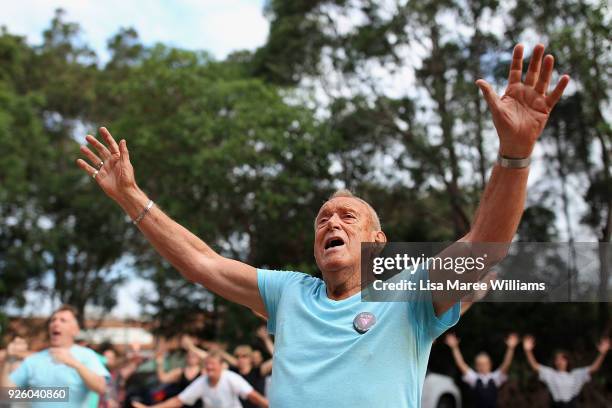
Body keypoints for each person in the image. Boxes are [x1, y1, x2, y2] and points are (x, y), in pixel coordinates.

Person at [76, 43, 569, 407]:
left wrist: (515, 155)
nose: (331, 221)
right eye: (322, 219)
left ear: (378, 242)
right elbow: (204, 264)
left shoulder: (410, 291)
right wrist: (131, 196)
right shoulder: (289, 293)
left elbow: (485, 246)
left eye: (347, 215)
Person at [0, 304, 109, 408]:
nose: (56, 323)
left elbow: (101, 388)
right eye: (53, 320)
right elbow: (6, 395)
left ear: (75, 330)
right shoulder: (34, 360)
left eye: (63, 320)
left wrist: (74, 363)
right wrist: (8, 359)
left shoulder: (87, 355)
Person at [131, 351, 268, 408]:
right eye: (207, 364)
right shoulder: (202, 381)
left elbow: (253, 395)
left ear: (221, 366)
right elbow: (178, 400)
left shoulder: (231, 378)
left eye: (212, 364)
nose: (209, 367)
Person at [523, 335, 610, 407]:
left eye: (563, 359)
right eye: (557, 359)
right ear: (554, 362)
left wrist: (602, 354)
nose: (560, 361)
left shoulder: (575, 374)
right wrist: (528, 351)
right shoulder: (551, 374)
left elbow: (594, 368)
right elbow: (535, 366)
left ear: (567, 361)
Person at [444, 332, 519, 407]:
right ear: (476, 366)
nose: (482, 367)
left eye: (485, 364)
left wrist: (511, 348)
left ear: (490, 364)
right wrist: (454, 348)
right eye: (480, 364)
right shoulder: (474, 378)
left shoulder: (495, 378)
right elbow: (460, 364)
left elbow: (506, 364)